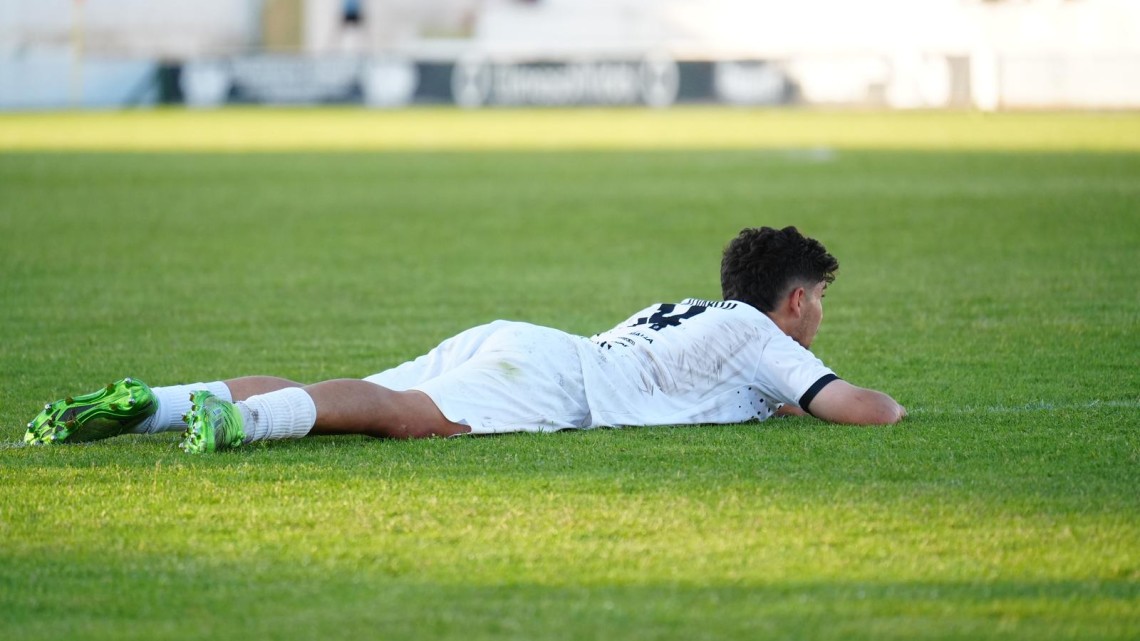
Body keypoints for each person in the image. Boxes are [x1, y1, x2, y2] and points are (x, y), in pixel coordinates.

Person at [24, 226, 906, 454]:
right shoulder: (760, 333)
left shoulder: (699, 313)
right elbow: (859, 409)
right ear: (796, 300)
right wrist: (892, 407)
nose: (820, 316)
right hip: (554, 378)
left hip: (524, 342)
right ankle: (237, 425)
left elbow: (734, 392)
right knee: (401, 416)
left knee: (349, 392)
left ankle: (157, 404)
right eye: (822, 300)